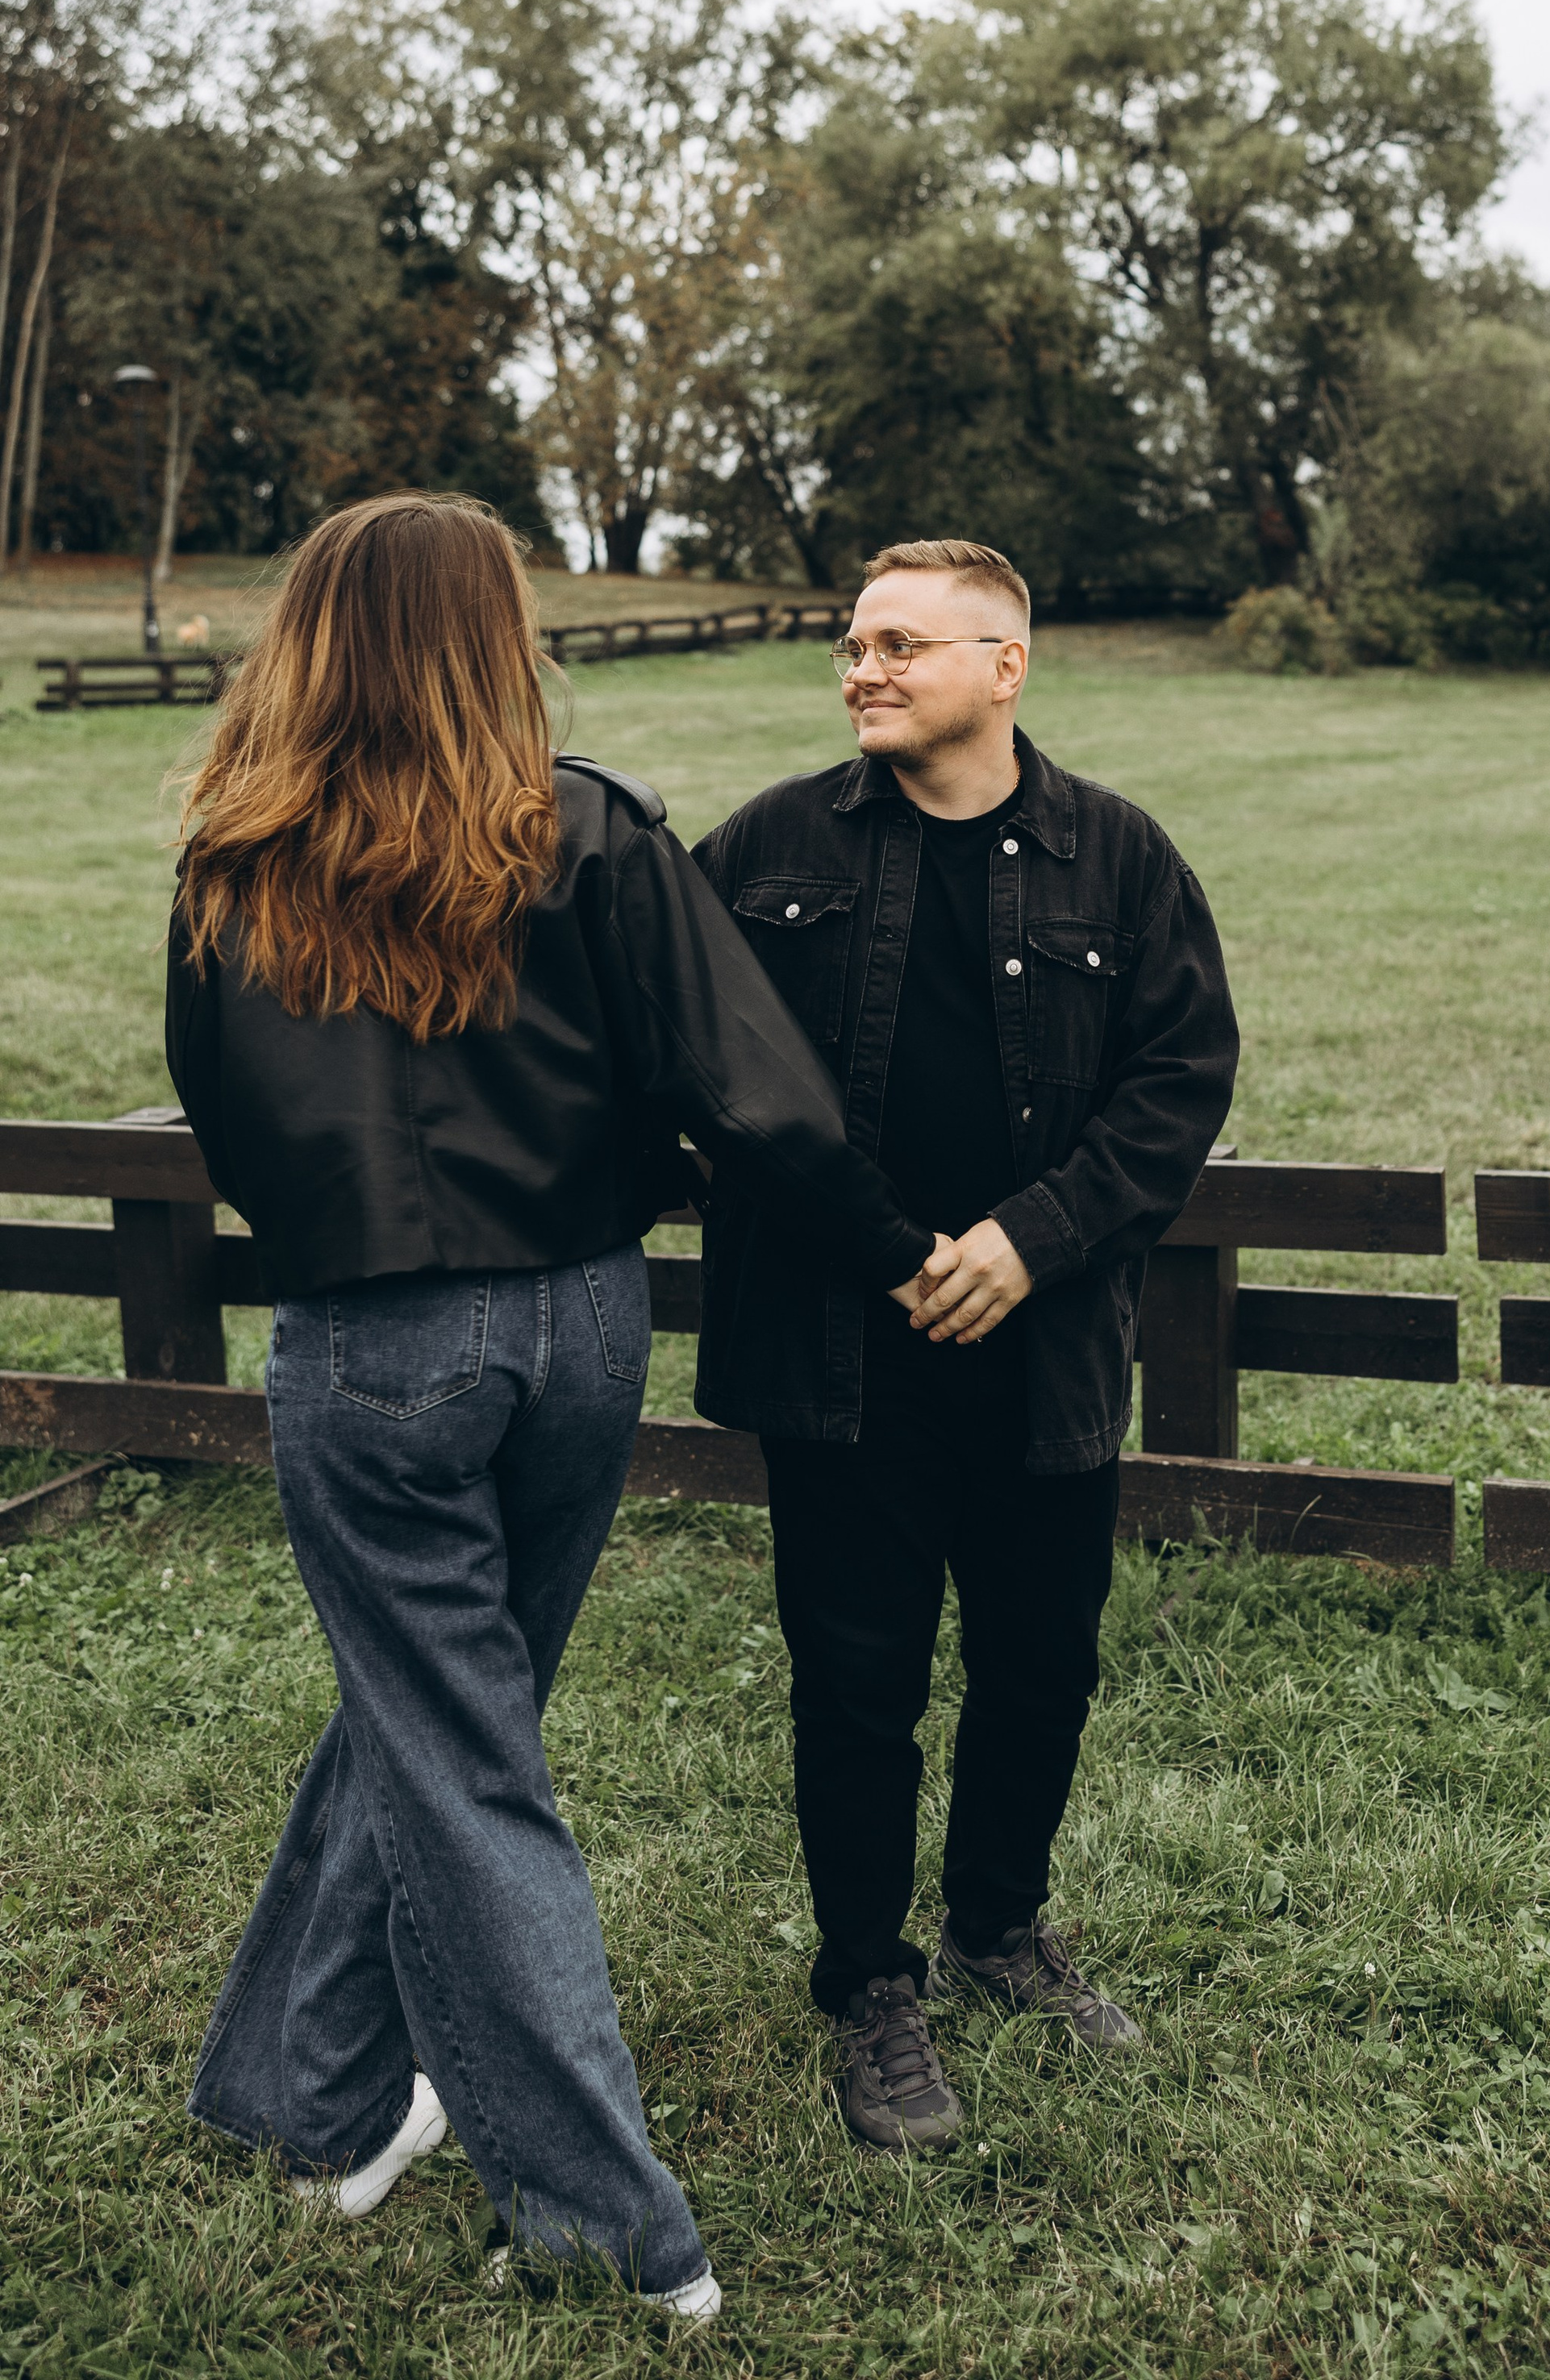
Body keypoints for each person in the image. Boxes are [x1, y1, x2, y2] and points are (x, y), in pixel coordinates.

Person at [168, 494, 947, 2322]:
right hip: (578, 1327)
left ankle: (614, 2230)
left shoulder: (237, 855)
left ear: (309, 638)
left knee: (455, 1746)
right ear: (487, 636)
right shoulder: (586, 828)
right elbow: (751, 1090)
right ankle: (314, 2098)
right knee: (445, 1716)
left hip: (372, 1341)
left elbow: (224, 1115)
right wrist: (900, 1246)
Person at [691, 538, 1239, 2152]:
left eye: (901, 645)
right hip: (838, 1349)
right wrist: (881, 1240)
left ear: (1006, 666)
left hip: (1042, 1346)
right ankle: (870, 1983)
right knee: (856, 1680)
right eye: (854, 643)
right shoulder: (764, 848)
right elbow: (695, 1063)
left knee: (1039, 1662)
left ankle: (1000, 1924)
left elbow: (1179, 1079)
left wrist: (1031, 1238)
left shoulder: (1118, 857)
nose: (862, 668)